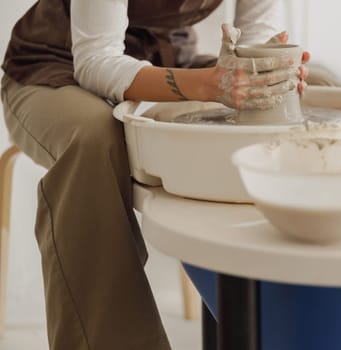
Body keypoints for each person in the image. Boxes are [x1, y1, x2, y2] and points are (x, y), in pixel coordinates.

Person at [1, 0, 309, 349]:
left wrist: (272, 72)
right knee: (94, 138)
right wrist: (208, 85)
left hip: (166, 58)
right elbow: (96, 59)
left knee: (320, 89)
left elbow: (259, 40)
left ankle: (295, 321)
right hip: (55, 67)